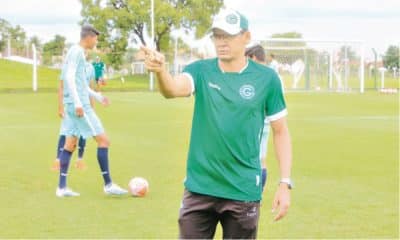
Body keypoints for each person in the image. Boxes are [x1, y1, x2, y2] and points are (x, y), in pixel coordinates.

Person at [143, 9, 293, 238]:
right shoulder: (201, 70)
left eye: (229, 36)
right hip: (199, 188)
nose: (222, 42)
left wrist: (284, 183)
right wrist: (161, 71)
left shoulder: (267, 79)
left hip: (242, 190)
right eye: (217, 36)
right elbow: (172, 89)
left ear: (246, 37)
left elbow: (280, 132)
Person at [56, 24, 127, 197]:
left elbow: (79, 83)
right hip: (79, 107)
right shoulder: (77, 51)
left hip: (73, 105)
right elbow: (69, 78)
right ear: (88, 37)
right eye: (96, 37)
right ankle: (108, 184)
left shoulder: (76, 52)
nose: (96, 40)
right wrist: (79, 103)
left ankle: (61, 188)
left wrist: (97, 96)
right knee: (104, 141)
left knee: (69, 145)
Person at [51, 61, 96, 171]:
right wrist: (60, 107)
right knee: (64, 132)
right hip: (70, 105)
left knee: (82, 132)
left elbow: (90, 89)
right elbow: (61, 87)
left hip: (84, 106)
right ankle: (58, 161)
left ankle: (80, 160)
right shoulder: (67, 67)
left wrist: (92, 108)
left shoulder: (90, 67)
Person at [245, 44, 269, 192]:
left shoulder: (260, 75)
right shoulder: (273, 75)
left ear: (253, 57)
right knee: (261, 158)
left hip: (255, 122)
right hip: (265, 123)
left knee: (254, 159)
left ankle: (255, 193)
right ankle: (257, 193)